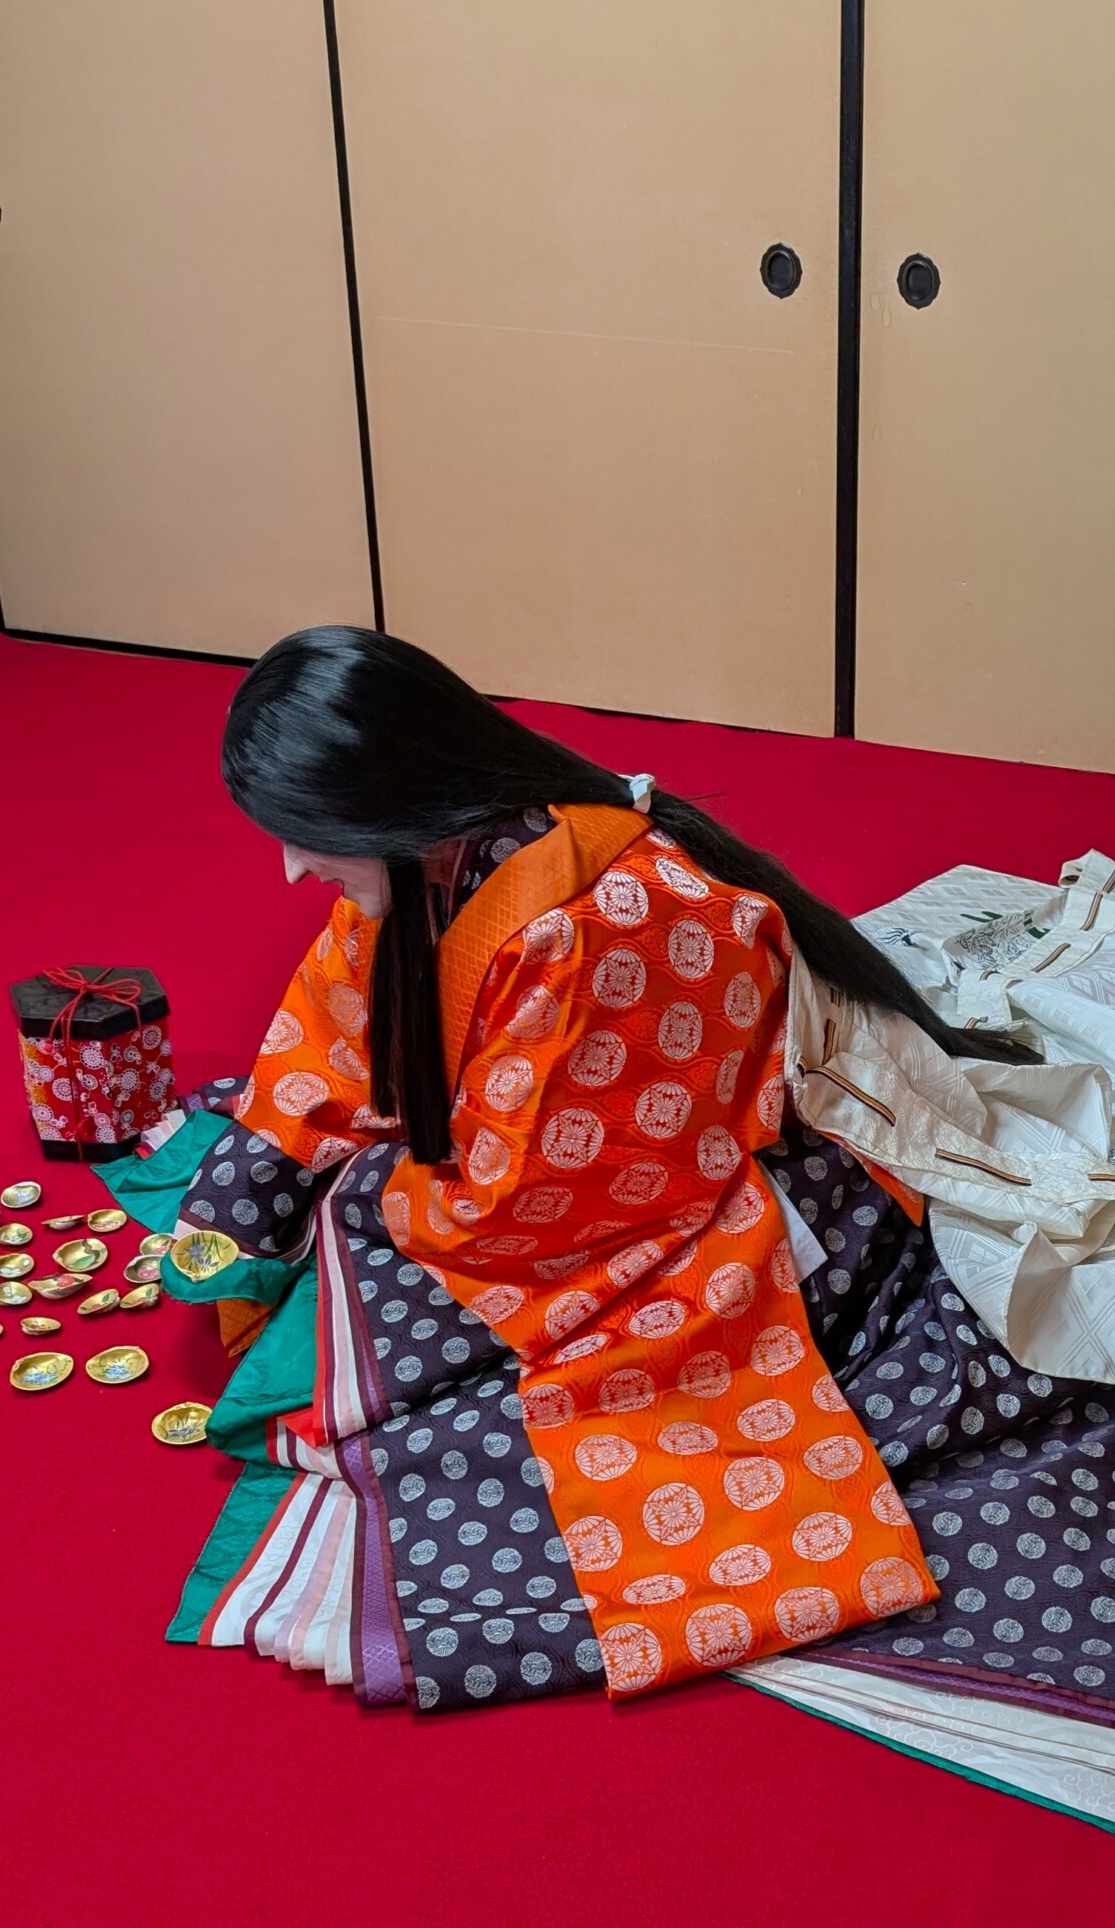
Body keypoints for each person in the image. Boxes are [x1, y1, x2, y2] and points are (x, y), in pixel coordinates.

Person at [193, 623, 1023, 1693]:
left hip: (681, 1200)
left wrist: (366, 1193)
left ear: (388, 803)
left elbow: (546, 1195)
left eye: (307, 834)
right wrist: (261, 1169)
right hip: (527, 1168)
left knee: (428, 1379)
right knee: (313, 1241)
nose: (292, 867)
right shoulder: (433, 856)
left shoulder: (608, 921)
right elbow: (334, 1022)